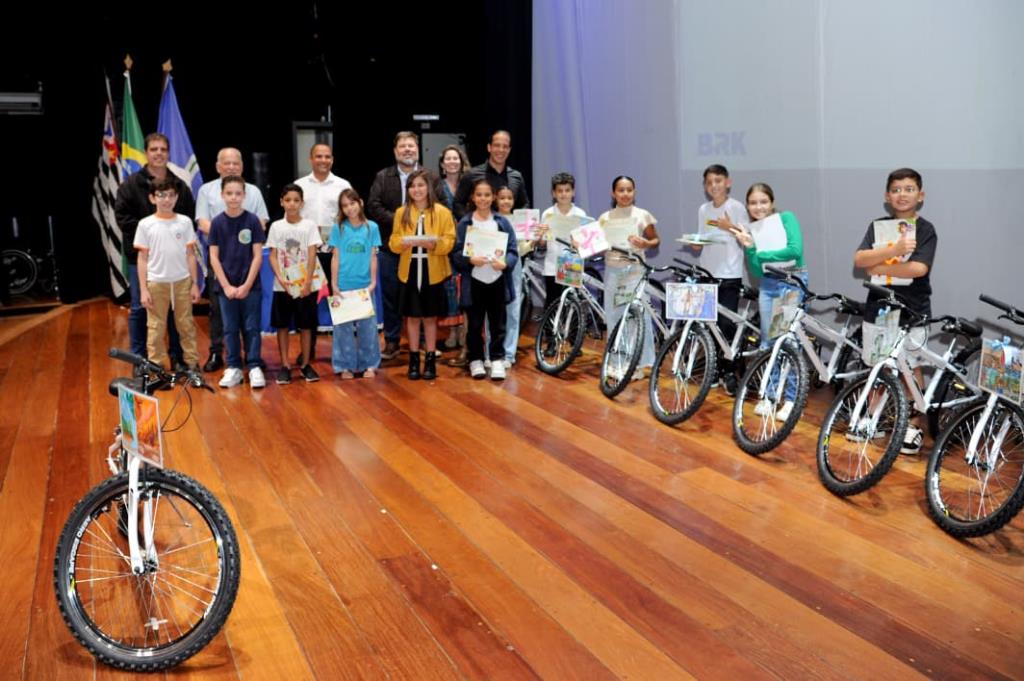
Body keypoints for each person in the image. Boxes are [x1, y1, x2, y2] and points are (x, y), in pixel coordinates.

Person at [854, 168, 936, 453]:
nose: (903, 194)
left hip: (913, 308)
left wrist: (877, 265)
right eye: (897, 189)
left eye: (909, 189)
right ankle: (872, 418)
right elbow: (860, 258)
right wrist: (895, 248)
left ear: (920, 195)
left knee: (911, 367)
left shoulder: (926, 230)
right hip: (879, 305)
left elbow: (918, 268)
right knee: (876, 363)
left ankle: (913, 426)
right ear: (887, 196)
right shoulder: (877, 226)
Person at [719, 183, 806, 422]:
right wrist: (749, 249)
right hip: (768, 284)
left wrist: (758, 251)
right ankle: (769, 396)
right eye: (753, 203)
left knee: (788, 341)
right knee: (769, 342)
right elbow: (757, 270)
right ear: (748, 206)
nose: (759, 207)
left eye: (763, 202)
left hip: (791, 281)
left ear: (772, 202)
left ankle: (791, 399)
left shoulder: (786, 218)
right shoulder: (750, 229)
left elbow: (794, 251)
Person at [114, 132, 194, 369]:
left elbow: (188, 217)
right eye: (154, 149)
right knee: (141, 308)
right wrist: (153, 228)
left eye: (163, 149)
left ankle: (178, 358)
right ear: (146, 153)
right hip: (143, 259)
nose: (159, 153)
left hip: (176, 262)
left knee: (175, 312)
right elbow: (122, 218)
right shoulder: (130, 185)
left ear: (168, 153)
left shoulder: (180, 186)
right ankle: (141, 361)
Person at [367, 132, 447, 360]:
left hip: (429, 250)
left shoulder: (431, 177)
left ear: (418, 149)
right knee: (392, 296)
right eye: (403, 147)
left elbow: (441, 204)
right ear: (395, 151)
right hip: (393, 249)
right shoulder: (383, 177)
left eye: (411, 146)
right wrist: (404, 222)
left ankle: (423, 342)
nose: (407, 150)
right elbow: (373, 205)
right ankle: (392, 341)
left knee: (423, 296)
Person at [194, 147, 269, 372]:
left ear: (242, 166)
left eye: (235, 163)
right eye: (226, 163)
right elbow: (202, 222)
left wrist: (241, 238)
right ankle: (217, 353)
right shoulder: (207, 191)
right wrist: (227, 239)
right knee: (219, 309)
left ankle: (252, 357)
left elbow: (262, 221)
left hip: (248, 258)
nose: (231, 166)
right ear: (218, 166)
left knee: (249, 309)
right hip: (220, 258)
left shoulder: (253, 191)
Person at [387, 169, 456, 381]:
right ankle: (414, 360)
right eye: (412, 186)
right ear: (408, 190)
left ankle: (431, 361)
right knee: (413, 317)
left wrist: (433, 244)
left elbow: (450, 240)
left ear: (429, 188)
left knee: (430, 317)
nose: (417, 190)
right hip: (409, 271)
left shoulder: (442, 212)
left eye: (421, 185)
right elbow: (393, 242)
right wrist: (406, 242)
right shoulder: (402, 212)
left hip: (432, 271)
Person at [689, 164, 750, 395]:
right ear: (705, 186)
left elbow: (747, 237)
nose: (714, 186)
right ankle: (712, 369)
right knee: (708, 324)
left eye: (718, 181)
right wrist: (695, 243)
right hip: (707, 273)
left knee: (726, 326)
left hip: (729, 275)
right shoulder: (703, 209)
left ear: (728, 182)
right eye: (709, 182)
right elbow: (702, 237)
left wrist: (730, 226)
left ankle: (729, 371)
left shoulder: (736, 207)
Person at [132, 177, 201, 373]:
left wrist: (194, 283)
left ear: (177, 197)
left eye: (171, 195)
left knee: (186, 325)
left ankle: (192, 365)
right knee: (155, 329)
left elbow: (190, 255)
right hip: (156, 284)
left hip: (182, 282)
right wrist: (144, 289)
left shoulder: (185, 222)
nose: (166, 199)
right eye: (161, 195)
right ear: (152, 198)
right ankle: (157, 368)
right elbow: (142, 259)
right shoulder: (146, 225)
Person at [453, 179, 519, 380]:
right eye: (479, 195)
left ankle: (497, 359)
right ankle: (476, 359)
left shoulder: (501, 222)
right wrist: (470, 259)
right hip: (474, 282)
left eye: (487, 195)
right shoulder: (466, 223)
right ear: (473, 197)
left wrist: (505, 263)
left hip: (497, 280)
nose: (483, 199)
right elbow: (456, 253)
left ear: (493, 198)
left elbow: (513, 251)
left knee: (498, 323)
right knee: (474, 323)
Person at [598, 175, 660, 378]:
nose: (625, 194)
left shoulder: (642, 215)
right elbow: (597, 245)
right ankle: (616, 361)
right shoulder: (605, 218)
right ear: (612, 193)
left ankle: (638, 366)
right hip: (612, 271)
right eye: (621, 190)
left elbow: (655, 240)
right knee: (614, 317)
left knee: (636, 317)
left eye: (629, 190)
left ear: (634, 192)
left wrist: (645, 243)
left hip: (634, 272)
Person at [208, 176, 267, 389]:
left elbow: (258, 256)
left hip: (250, 287)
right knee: (229, 328)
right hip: (226, 288)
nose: (234, 198)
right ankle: (233, 366)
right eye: (229, 193)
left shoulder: (252, 221)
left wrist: (246, 285)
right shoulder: (216, 223)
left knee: (252, 327)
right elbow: (214, 257)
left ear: (244, 195)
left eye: (238, 193)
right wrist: (226, 286)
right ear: (222, 195)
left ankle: (253, 366)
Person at [266, 184, 321, 385]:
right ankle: (285, 366)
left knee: (306, 325)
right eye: (288, 200)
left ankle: (306, 364)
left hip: (305, 285)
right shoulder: (276, 227)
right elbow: (272, 255)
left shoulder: (309, 226)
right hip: (283, 286)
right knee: (282, 326)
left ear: (302, 203)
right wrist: (280, 277)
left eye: (296, 200)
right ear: (282, 202)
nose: (292, 204)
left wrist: (307, 282)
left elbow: (313, 254)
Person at [329, 189, 382, 379]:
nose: (349, 208)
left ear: (360, 203)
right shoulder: (338, 228)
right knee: (342, 328)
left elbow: (373, 256)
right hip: (343, 285)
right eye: (344, 205)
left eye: (352, 203)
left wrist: (373, 282)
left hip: (364, 286)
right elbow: (335, 256)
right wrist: (334, 284)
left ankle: (369, 363)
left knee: (368, 327)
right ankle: (345, 365)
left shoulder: (372, 228)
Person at [438, 144, 471, 355]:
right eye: (448, 159)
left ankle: (464, 331)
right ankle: (452, 330)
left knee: (464, 285)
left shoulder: (469, 184)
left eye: (455, 158)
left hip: (468, 239)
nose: (452, 162)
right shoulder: (437, 186)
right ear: (442, 164)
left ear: (461, 162)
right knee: (449, 285)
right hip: (445, 240)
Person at [452, 130, 530, 220]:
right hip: (480, 232)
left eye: (505, 146)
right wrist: (471, 222)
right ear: (489, 147)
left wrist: (515, 221)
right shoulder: (471, 175)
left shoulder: (517, 176)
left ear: (509, 150)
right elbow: (458, 204)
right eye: (497, 145)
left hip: (508, 230)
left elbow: (525, 204)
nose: (501, 150)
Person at [540, 172, 588, 310]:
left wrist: (580, 244)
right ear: (553, 193)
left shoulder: (581, 215)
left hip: (572, 265)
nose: (563, 194)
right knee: (552, 306)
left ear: (573, 192)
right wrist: (540, 237)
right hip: (551, 266)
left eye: (567, 190)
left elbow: (587, 244)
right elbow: (543, 244)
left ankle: (572, 332)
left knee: (571, 307)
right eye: (559, 191)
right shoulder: (547, 214)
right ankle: (550, 332)